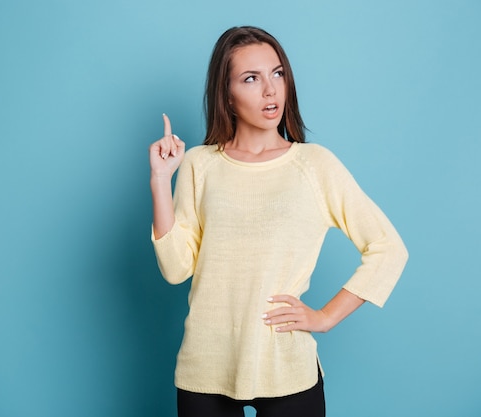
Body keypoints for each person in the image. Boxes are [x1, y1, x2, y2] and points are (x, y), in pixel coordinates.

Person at [148, 26, 408, 417]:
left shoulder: (314, 165)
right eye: (251, 79)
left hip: (286, 369)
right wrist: (159, 180)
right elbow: (175, 268)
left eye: (278, 73)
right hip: (206, 366)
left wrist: (325, 317)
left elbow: (389, 249)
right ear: (228, 96)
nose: (271, 90)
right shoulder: (200, 164)